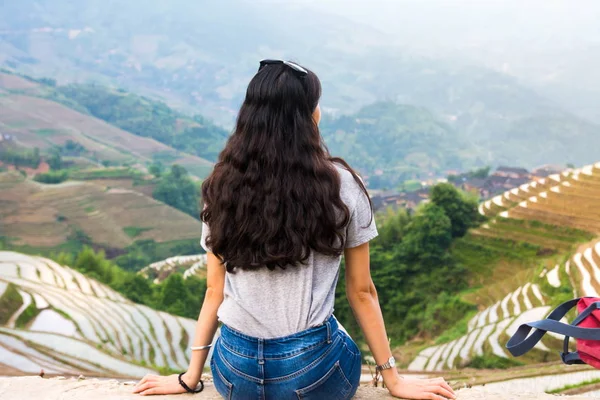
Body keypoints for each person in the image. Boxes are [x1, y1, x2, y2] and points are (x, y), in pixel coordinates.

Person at [133, 60, 455, 400]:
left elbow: (215, 291)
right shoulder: (341, 186)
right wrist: (394, 380)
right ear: (308, 116)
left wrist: (189, 377)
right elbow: (361, 292)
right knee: (337, 336)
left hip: (234, 372)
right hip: (310, 374)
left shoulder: (222, 185)